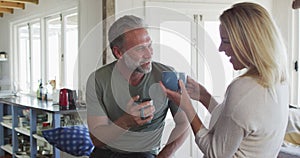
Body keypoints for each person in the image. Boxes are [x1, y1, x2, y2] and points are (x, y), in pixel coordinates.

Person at [161, 2, 289, 158]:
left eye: (226, 41)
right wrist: (204, 96)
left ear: (249, 42)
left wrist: (187, 107)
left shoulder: (243, 87)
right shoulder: (279, 82)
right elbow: (233, 125)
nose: (221, 48)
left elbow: (216, 153)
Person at [86, 15, 189, 158]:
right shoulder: (98, 80)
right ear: (118, 52)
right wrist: (126, 122)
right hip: (105, 153)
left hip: (145, 154)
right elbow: (96, 140)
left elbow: (184, 124)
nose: (149, 54)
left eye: (149, 45)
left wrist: (164, 156)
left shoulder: (167, 76)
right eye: (140, 49)